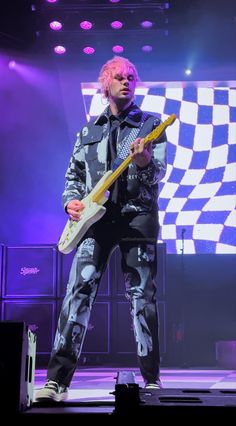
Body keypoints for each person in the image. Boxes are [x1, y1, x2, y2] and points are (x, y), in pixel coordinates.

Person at [36, 56, 167, 402]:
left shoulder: (151, 126)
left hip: (137, 220)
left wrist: (145, 162)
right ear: (105, 84)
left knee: (142, 298)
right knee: (77, 292)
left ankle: (151, 379)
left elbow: (158, 177)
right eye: (119, 77)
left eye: (131, 77)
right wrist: (71, 203)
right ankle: (56, 382)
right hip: (95, 222)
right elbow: (73, 179)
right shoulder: (88, 131)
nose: (126, 81)